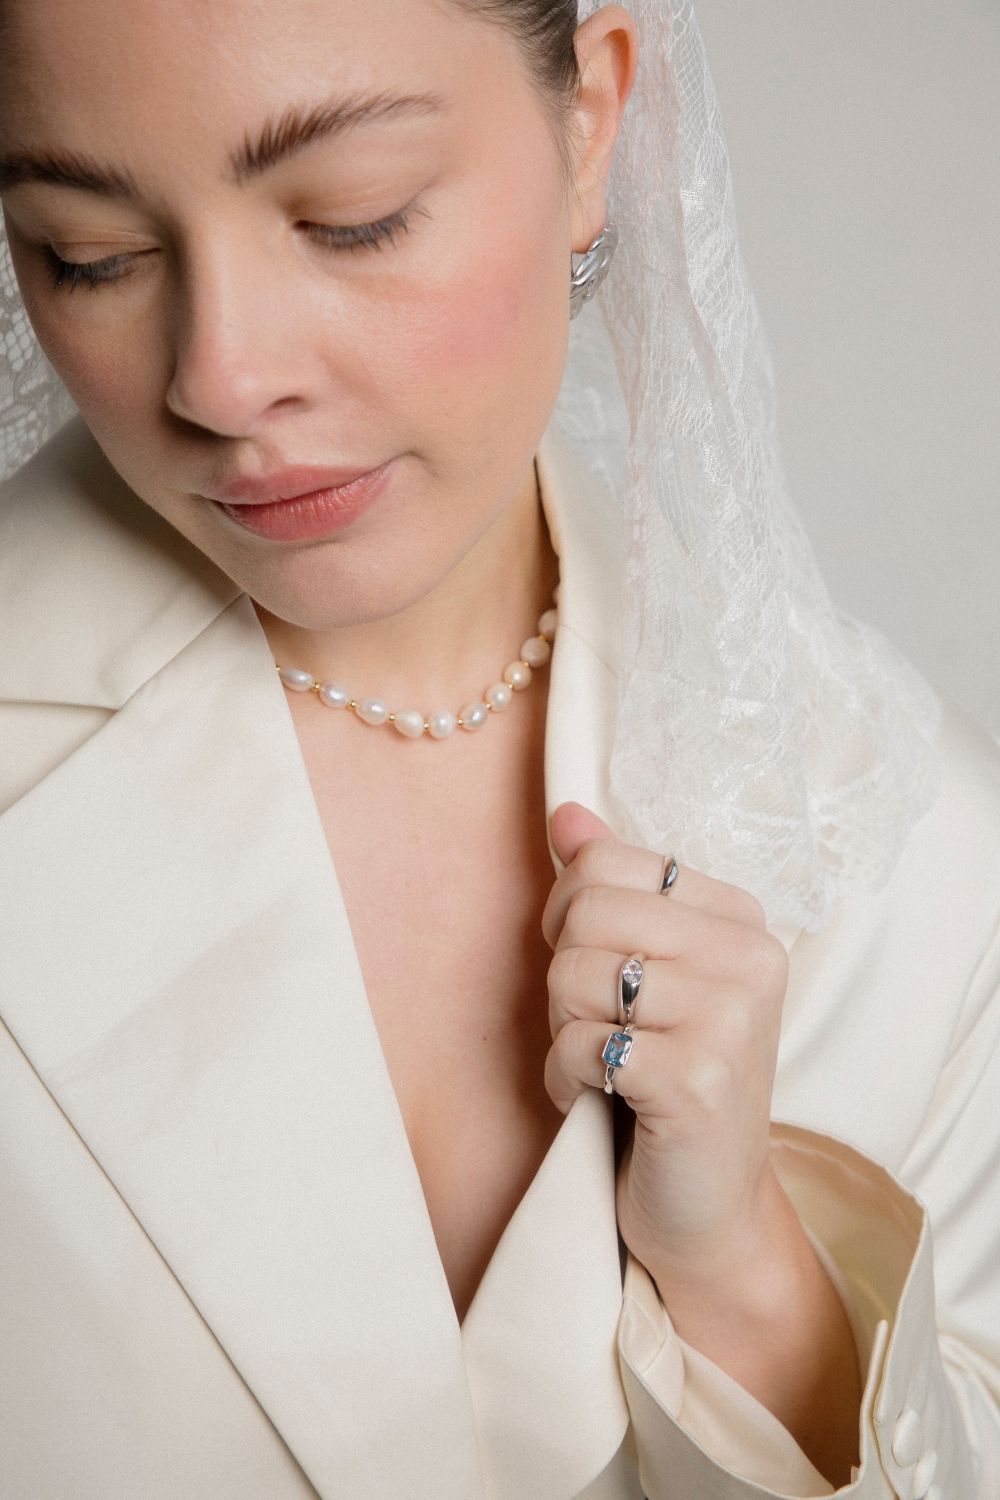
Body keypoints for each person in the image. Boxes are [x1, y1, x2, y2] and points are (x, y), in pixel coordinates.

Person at [0, 1, 997, 1497]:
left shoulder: (893, 838)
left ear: (591, 127)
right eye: (91, 253)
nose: (221, 375)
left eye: (353, 217)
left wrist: (753, 1280)